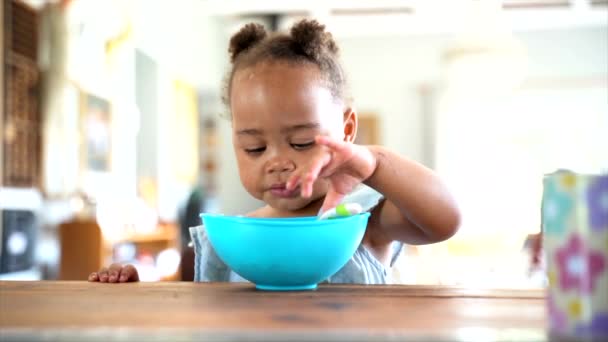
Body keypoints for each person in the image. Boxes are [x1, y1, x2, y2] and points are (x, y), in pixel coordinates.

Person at [88, 19, 460, 284]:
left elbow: (446, 219)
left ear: (346, 129)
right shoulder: (220, 245)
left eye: (301, 143)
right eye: (254, 147)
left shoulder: (362, 224)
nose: (278, 162)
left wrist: (373, 162)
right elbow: (183, 313)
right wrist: (135, 289)